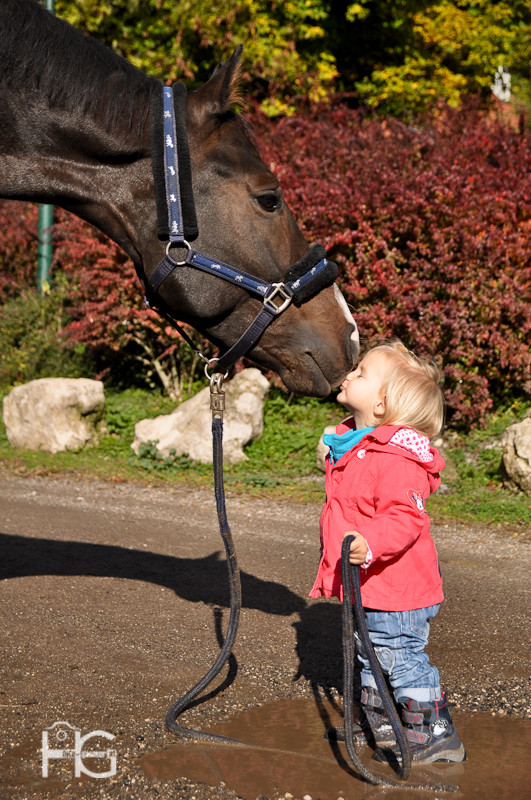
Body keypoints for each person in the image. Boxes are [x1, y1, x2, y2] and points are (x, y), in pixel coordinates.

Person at [310, 339, 466, 765]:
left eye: (360, 373)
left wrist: (371, 542)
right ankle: (388, 726)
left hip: (397, 589)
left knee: (398, 658)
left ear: (381, 405)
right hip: (368, 585)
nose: (349, 374)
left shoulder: (395, 459)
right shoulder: (355, 446)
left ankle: (434, 733)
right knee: (370, 653)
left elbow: (406, 518)